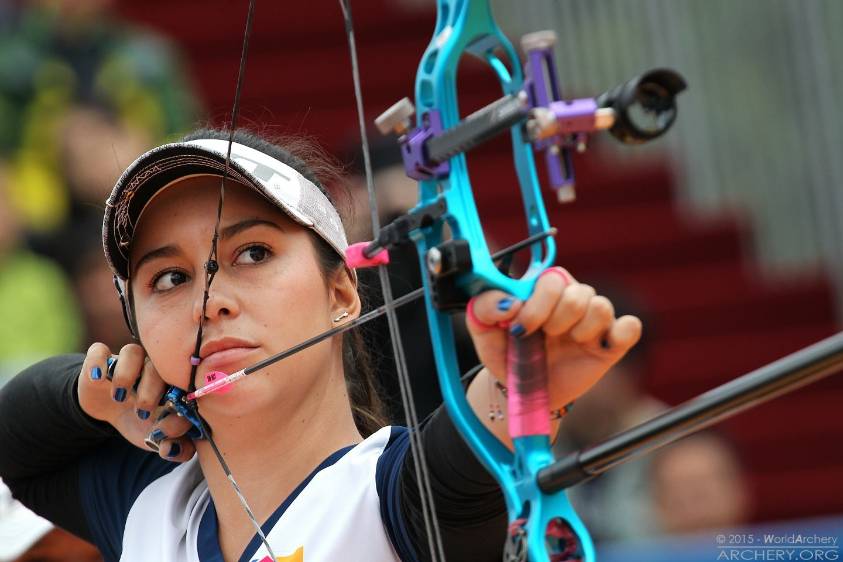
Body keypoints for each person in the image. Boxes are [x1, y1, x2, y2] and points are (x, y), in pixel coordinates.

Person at [0, 129, 642, 562]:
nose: (208, 301)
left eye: (253, 253)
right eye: (170, 278)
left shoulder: (397, 502)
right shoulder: (149, 506)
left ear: (342, 292)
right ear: (138, 327)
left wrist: (522, 380)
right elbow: (14, 442)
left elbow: (470, 459)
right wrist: (99, 391)